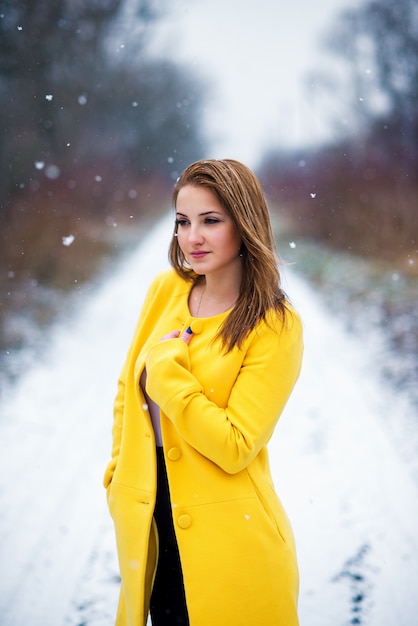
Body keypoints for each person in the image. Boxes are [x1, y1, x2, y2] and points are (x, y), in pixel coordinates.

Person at [103, 158, 304, 626]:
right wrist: (118, 477)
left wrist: (169, 376)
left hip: (234, 541)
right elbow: (125, 392)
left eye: (210, 221)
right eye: (183, 221)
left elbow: (235, 446)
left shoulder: (274, 324)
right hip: (151, 528)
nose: (192, 237)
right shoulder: (165, 290)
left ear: (245, 224)